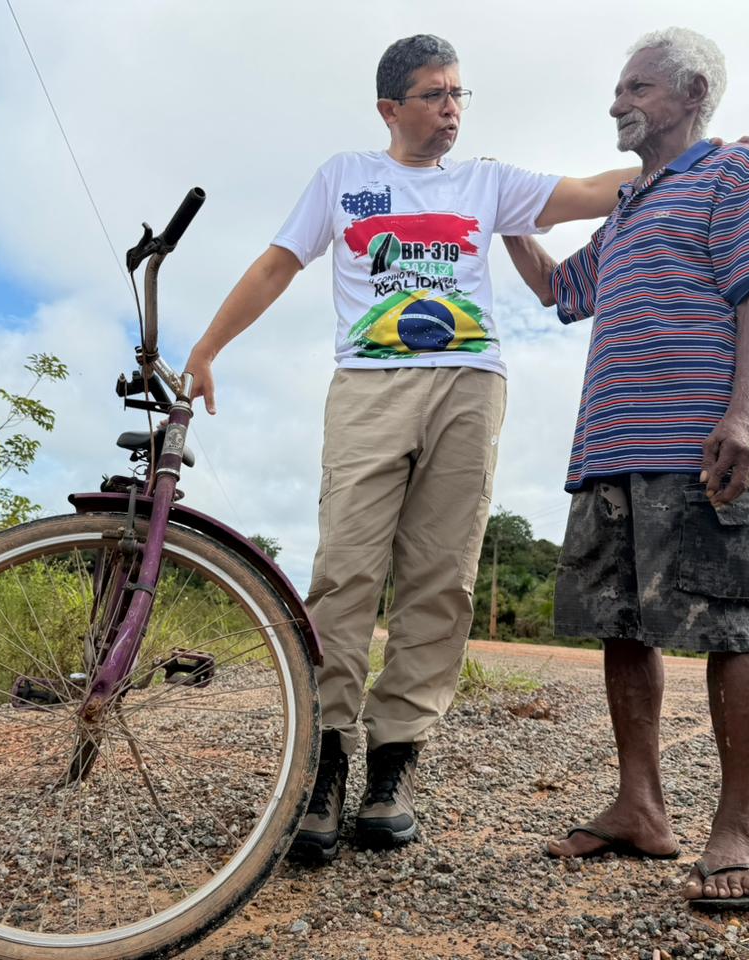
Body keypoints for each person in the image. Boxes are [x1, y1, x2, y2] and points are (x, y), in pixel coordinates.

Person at [183, 34, 635, 861]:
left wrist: (685, 156)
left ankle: (391, 773)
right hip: (369, 387)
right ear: (391, 108)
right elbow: (277, 265)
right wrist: (207, 349)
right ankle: (322, 770)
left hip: (470, 387)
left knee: (440, 579)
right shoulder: (345, 179)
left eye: (460, 94)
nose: (452, 111)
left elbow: (588, 191)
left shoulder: (488, 182)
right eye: (435, 96)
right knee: (345, 572)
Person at [503, 26, 749, 910]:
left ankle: (737, 826)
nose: (618, 103)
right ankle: (641, 807)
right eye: (618, 89)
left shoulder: (733, 174)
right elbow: (563, 294)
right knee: (622, 627)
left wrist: (744, 414)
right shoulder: (631, 207)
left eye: (636, 88)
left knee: (730, 627)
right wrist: (507, 217)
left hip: (699, 445)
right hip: (608, 453)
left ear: (691, 94)